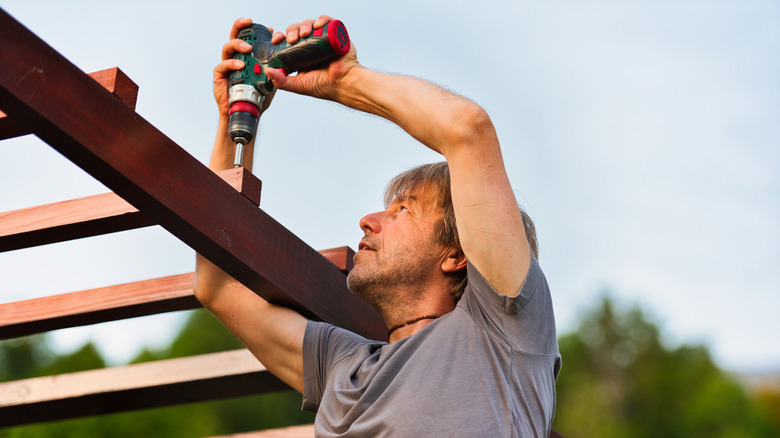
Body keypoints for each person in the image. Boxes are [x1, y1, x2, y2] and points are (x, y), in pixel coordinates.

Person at [195, 15, 561, 437]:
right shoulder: (342, 368)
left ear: (458, 254)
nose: (368, 220)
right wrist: (234, 121)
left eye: (404, 210)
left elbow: (467, 130)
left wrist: (347, 80)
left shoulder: (502, 333)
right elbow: (218, 288)